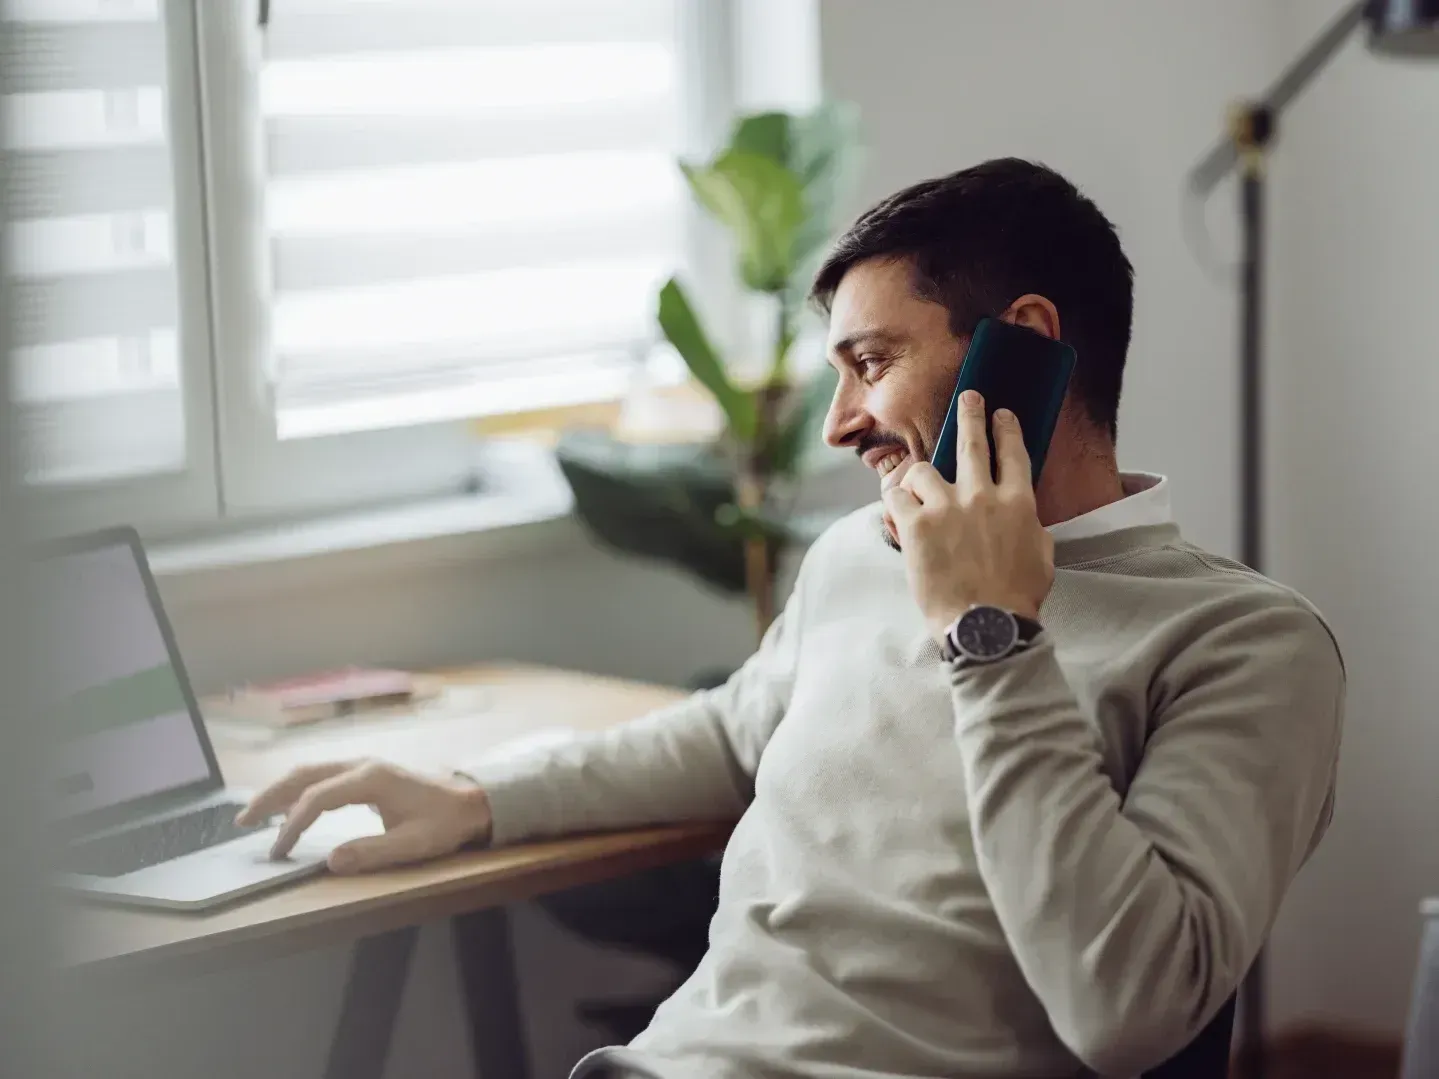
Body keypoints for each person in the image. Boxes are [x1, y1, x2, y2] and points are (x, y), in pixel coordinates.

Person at [240, 158, 1345, 1079]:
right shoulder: (856, 560)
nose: (838, 425)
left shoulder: (1242, 645)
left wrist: (989, 632)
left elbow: (1128, 1008)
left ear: (1026, 342)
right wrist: (480, 798)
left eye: (871, 362)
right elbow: (728, 731)